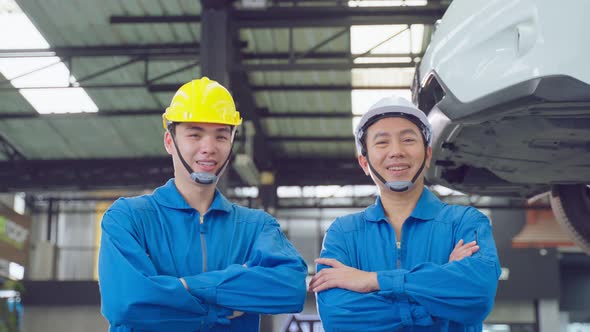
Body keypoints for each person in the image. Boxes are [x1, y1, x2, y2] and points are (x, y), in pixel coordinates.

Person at [98, 77, 307, 331]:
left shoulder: (256, 227)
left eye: (221, 136)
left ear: (231, 143)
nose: (208, 147)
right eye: (195, 134)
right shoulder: (128, 218)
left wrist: (185, 286)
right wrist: (225, 302)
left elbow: (291, 287)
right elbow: (127, 303)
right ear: (169, 142)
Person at [310, 96, 501, 331]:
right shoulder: (343, 233)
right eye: (382, 143)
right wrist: (439, 294)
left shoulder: (465, 222)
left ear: (428, 154)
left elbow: (476, 295)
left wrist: (372, 281)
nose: (396, 151)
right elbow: (339, 317)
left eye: (408, 139)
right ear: (364, 162)